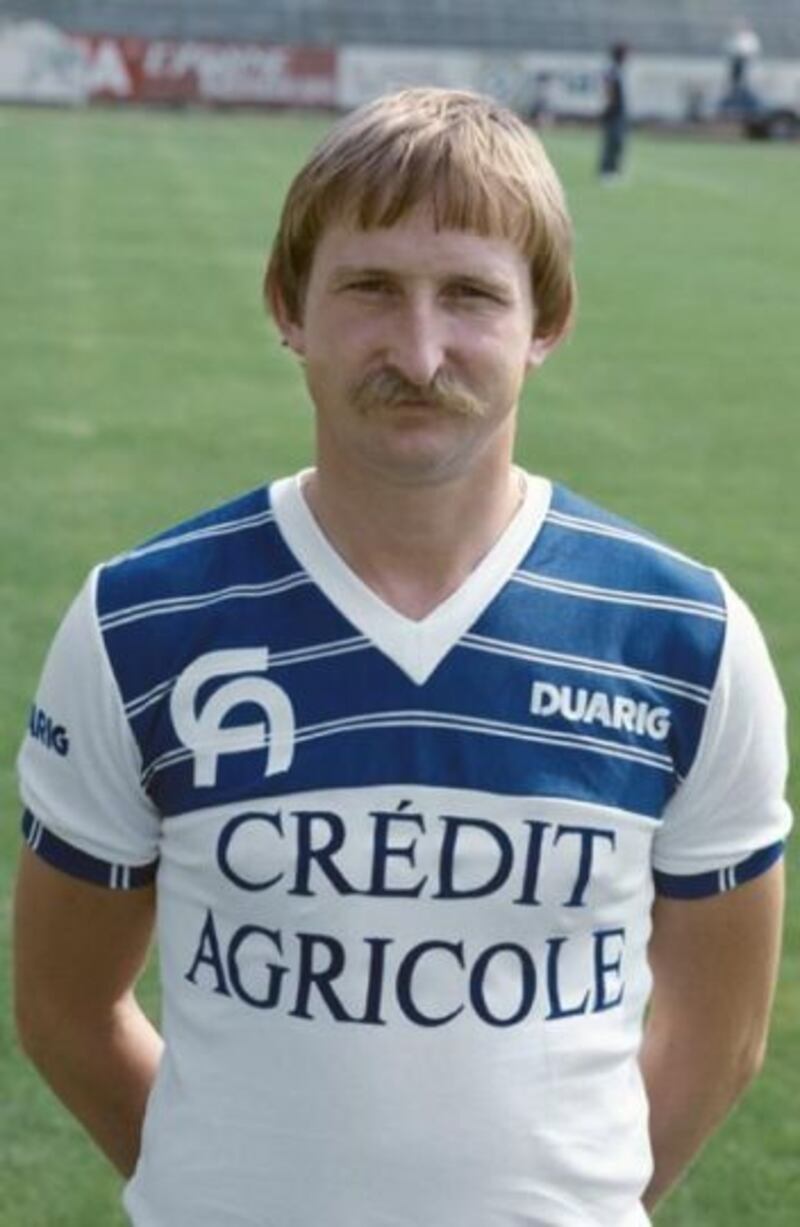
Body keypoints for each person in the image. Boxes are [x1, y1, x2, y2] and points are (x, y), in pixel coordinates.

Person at [14, 87, 791, 1227]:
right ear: (288, 306)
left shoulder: (684, 639)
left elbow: (723, 1036)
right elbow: (63, 1008)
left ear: (545, 321)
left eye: (469, 295)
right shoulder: (141, 624)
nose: (418, 353)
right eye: (370, 288)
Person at [598, 41, 630, 179]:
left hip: (618, 111)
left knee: (617, 142)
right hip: (613, 112)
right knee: (613, 141)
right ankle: (607, 171)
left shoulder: (617, 70)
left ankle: (613, 170)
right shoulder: (612, 70)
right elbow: (608, 90)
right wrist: (608, 107)